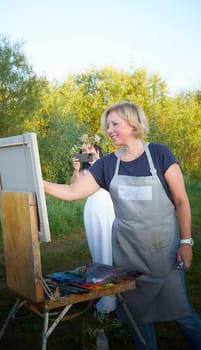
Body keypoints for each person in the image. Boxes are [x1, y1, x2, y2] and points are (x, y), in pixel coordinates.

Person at [43, 101, 201, 350]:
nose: (110, 130)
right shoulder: (107, 164)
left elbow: (181, 201)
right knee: (137, 317)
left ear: (133, 122)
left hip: (164, 252)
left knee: (182, 313)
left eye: (115, 124)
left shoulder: (160, 154)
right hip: (128, 254)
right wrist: (38, 181)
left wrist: (186, 242)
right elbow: (73, 191)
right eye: (108, 125)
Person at [71, 135, 116, 313]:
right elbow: (72, 188)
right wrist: (75, 170)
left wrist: (98, 162)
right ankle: (104, 294)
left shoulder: (107, 164)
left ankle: (115, 292)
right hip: (92, 211)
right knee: (97, 249)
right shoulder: (83, 173)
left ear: (97, 150)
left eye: (90, 150)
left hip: (108, 209)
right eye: (83, 151)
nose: (87, 153)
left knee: (111, 248)